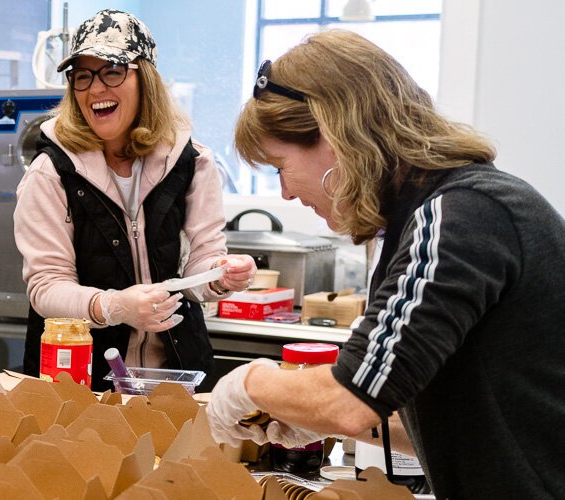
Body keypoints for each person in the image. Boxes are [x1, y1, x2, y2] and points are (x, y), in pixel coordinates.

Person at [207, 30, 565, 497]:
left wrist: (250, 384)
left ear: (336, 136)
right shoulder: (435, 214)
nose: (286, 193)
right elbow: (456, 421)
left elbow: (351, 398)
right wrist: (322, 422)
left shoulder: (460, 214)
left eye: (280, 165)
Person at [13, 9, 257, 390]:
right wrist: (114, 307)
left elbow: (202, 264)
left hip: (177, 374)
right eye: (82, 76)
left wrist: (222, 275)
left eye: (112, 71)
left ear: (146, 79)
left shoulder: (191, 162)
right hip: (79, 377)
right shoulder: (52, 172)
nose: (95, 89)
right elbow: (46, 287)